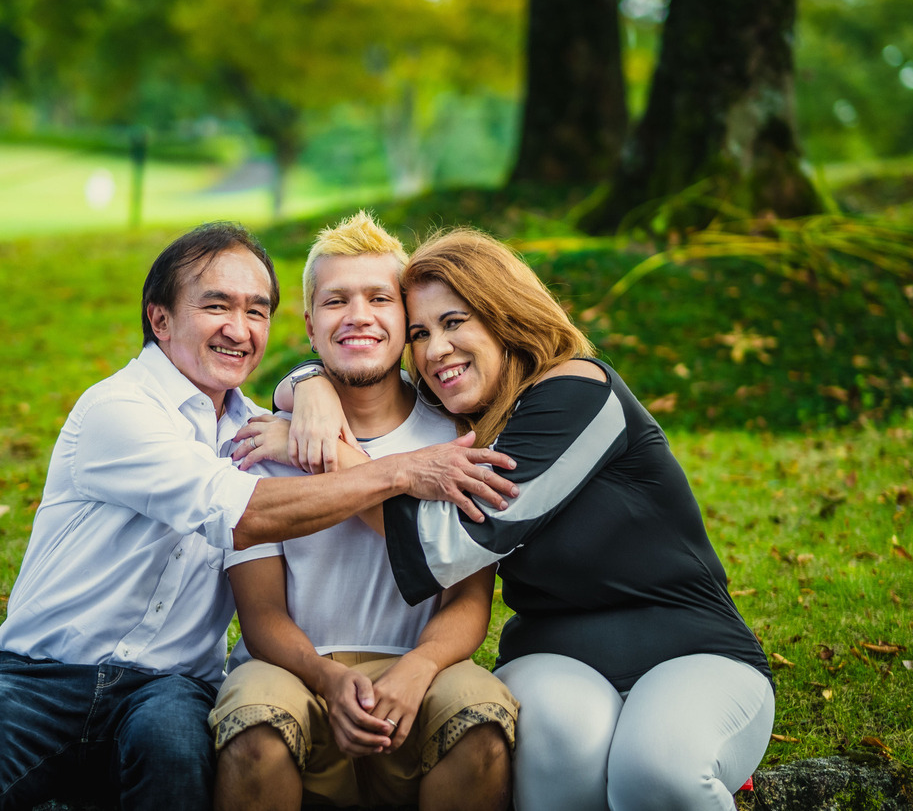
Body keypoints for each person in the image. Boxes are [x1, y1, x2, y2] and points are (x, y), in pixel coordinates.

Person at [0, 222, 519, 811]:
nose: (238, 328)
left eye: (255, 311)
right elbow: (244, 519)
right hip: (42, 674)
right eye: (216, 305)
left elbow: (462, 581)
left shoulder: (256, 428)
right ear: (159, 320)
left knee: (176, 768)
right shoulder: (124, 410)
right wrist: (398, 469)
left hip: (167, 685)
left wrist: (307, 389)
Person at [287, 228, 775, 811]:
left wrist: (325, 457)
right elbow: (361, 372)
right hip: (553, 658)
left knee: (656, 772)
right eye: (419, 333)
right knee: (559, 759)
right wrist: (307, 385)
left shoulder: (577, 391)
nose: (435, 349)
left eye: (455, 322)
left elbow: (451, 541)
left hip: (691, 650)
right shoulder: (461, 423)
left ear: (505, 316)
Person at [209, 212, 517, 811]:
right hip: (294, 668)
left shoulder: (456, 436)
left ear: (406, 318)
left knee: (480, 715)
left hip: (419, 667)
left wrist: (418, 669)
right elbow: (260, 612)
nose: (358, 316)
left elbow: (470, 599)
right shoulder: (265, 442)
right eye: (335, 301)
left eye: (380, 298)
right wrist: (326, 680)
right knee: (253, 721)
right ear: (308, 323)